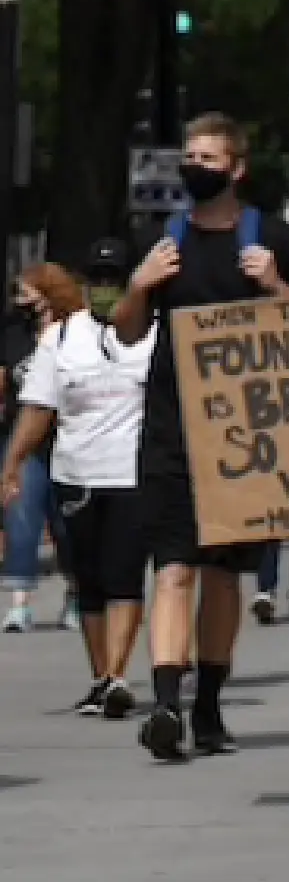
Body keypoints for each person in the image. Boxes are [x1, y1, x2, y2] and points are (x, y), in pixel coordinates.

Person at [116, 113, 289, 762]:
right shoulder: (161, 242)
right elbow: (124, 331)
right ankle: (167, 706)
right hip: (173, 430)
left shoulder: (278, 241)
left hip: (245, 434)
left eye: (208, 157)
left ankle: (208, 706)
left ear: (237, 167)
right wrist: (140, 286)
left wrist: (275, 287)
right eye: (189, 155)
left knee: (224, 578)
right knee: (172, 569)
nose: (194, 165)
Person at [2, 252, 149, 716]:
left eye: (115, 279)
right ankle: (101, 675)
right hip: (76, 474)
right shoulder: (60, 338)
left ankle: (118, 676)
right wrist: (12, 463)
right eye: (99, 279)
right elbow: (38, 406)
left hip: (132, 475)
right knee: (90, 580)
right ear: (86, 286)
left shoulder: (154, 331)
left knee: (124, 577)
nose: (106, 287)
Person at [0, 268, 73, 632]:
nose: (19, 301)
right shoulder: (15, 336)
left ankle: (75, 596)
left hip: (69, 440)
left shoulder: (77, 333)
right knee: (21, 516)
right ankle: (20, 604)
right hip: (25, 439)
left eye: (25, 293)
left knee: (66, 524)